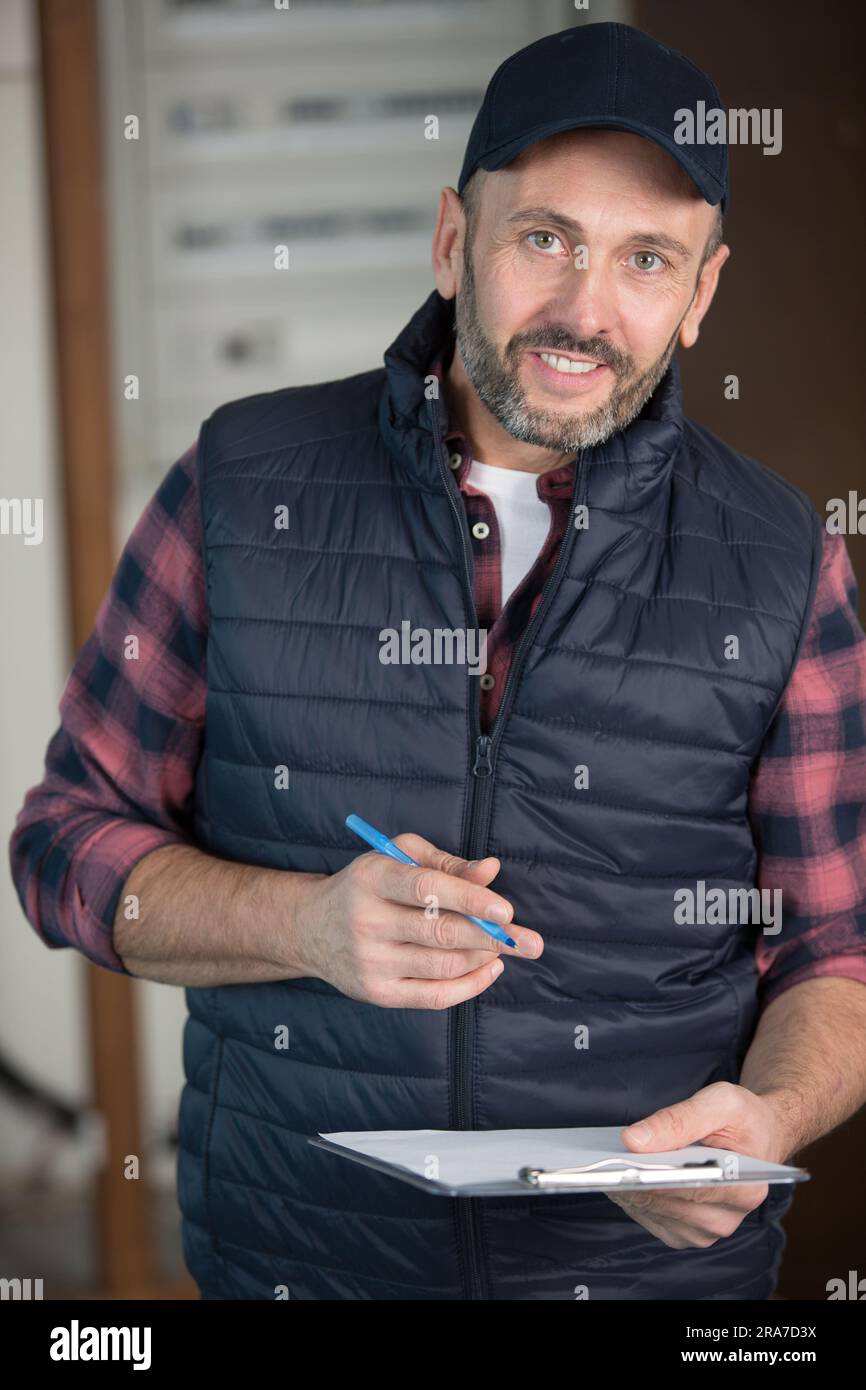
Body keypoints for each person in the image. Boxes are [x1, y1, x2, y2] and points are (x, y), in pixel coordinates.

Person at [10, 22, 866, 1300]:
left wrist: (772, 1117)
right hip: (296, 1264)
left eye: (645, 260)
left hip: (645, 1289)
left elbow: (837, 952)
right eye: (543, 239)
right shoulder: (241, 487)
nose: (585, 310)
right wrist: (299, 924)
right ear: (454, 242)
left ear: (700, 295)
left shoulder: (785, 561)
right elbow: (64, 846)